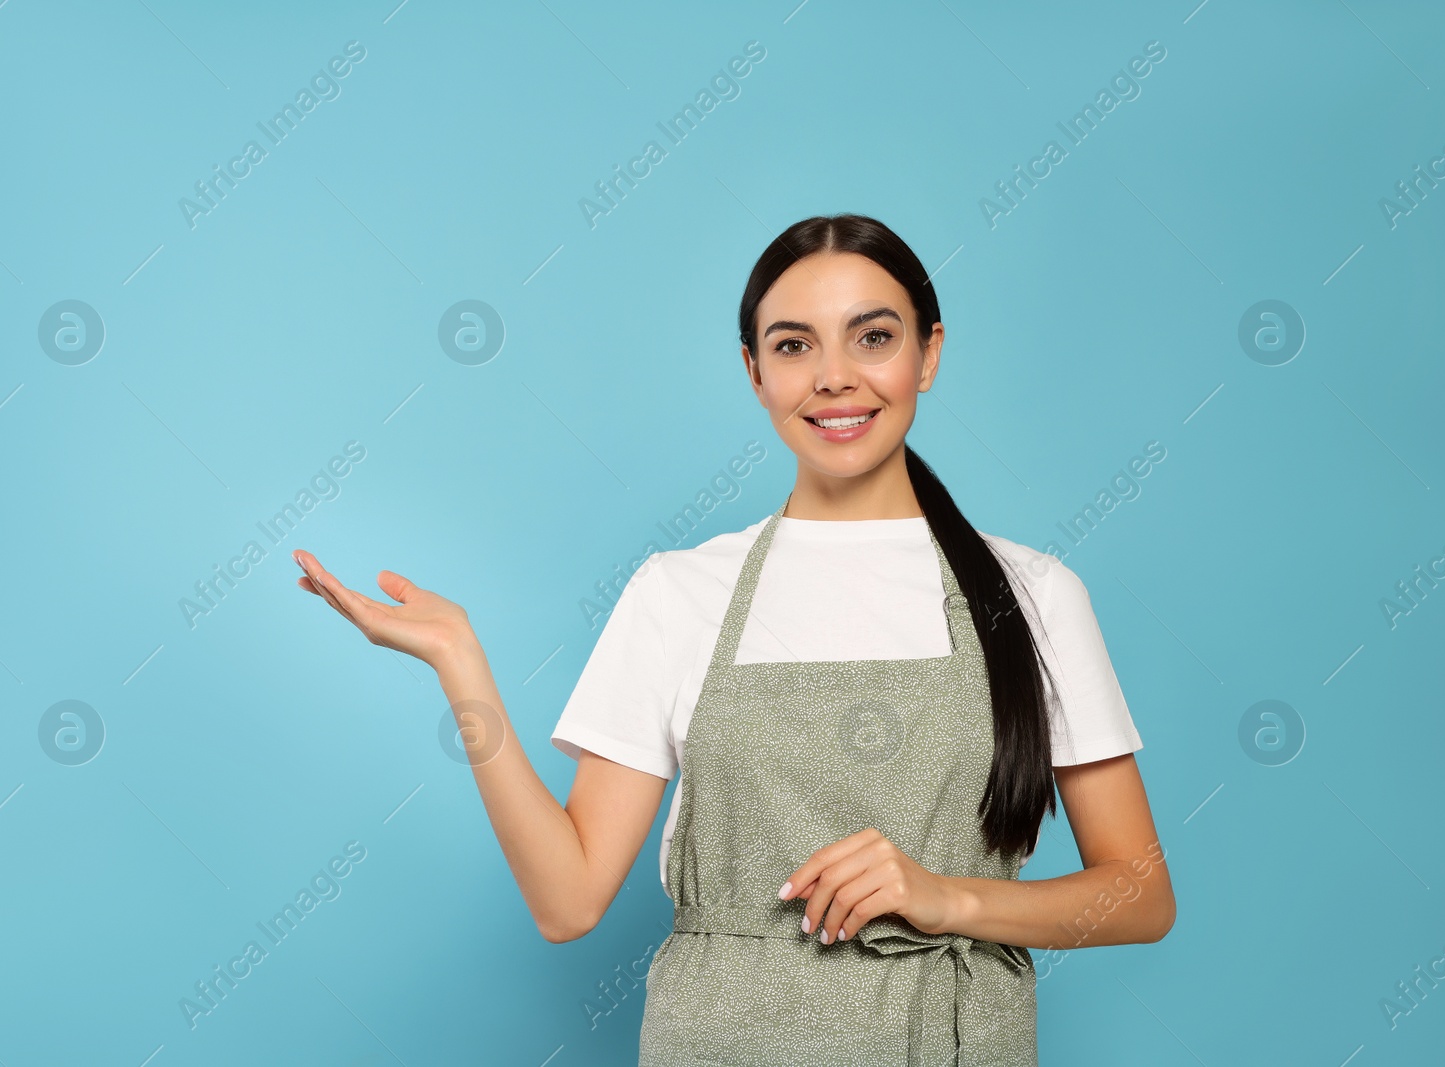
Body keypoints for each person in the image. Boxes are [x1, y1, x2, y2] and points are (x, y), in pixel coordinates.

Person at [291, 213, 1176, 1066]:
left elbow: (1139, 892)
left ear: (929, 353)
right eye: (794, 346)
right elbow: (567, 902)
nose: (834, 377)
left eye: (872, 337)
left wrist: (946, 898)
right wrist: (462, 666)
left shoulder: (1033, 595)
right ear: (755, 372)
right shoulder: (680, 591)